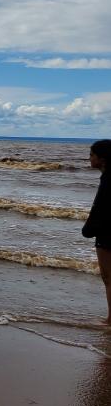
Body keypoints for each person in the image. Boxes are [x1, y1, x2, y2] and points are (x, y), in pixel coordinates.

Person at [83, 139, 111, 324]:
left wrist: (88, 229)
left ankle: (110, 319)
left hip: (107, 233)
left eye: (92, 155)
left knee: (108, 277)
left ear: (102, 158)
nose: (89, 158)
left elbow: (99, 208)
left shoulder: (107, 179)